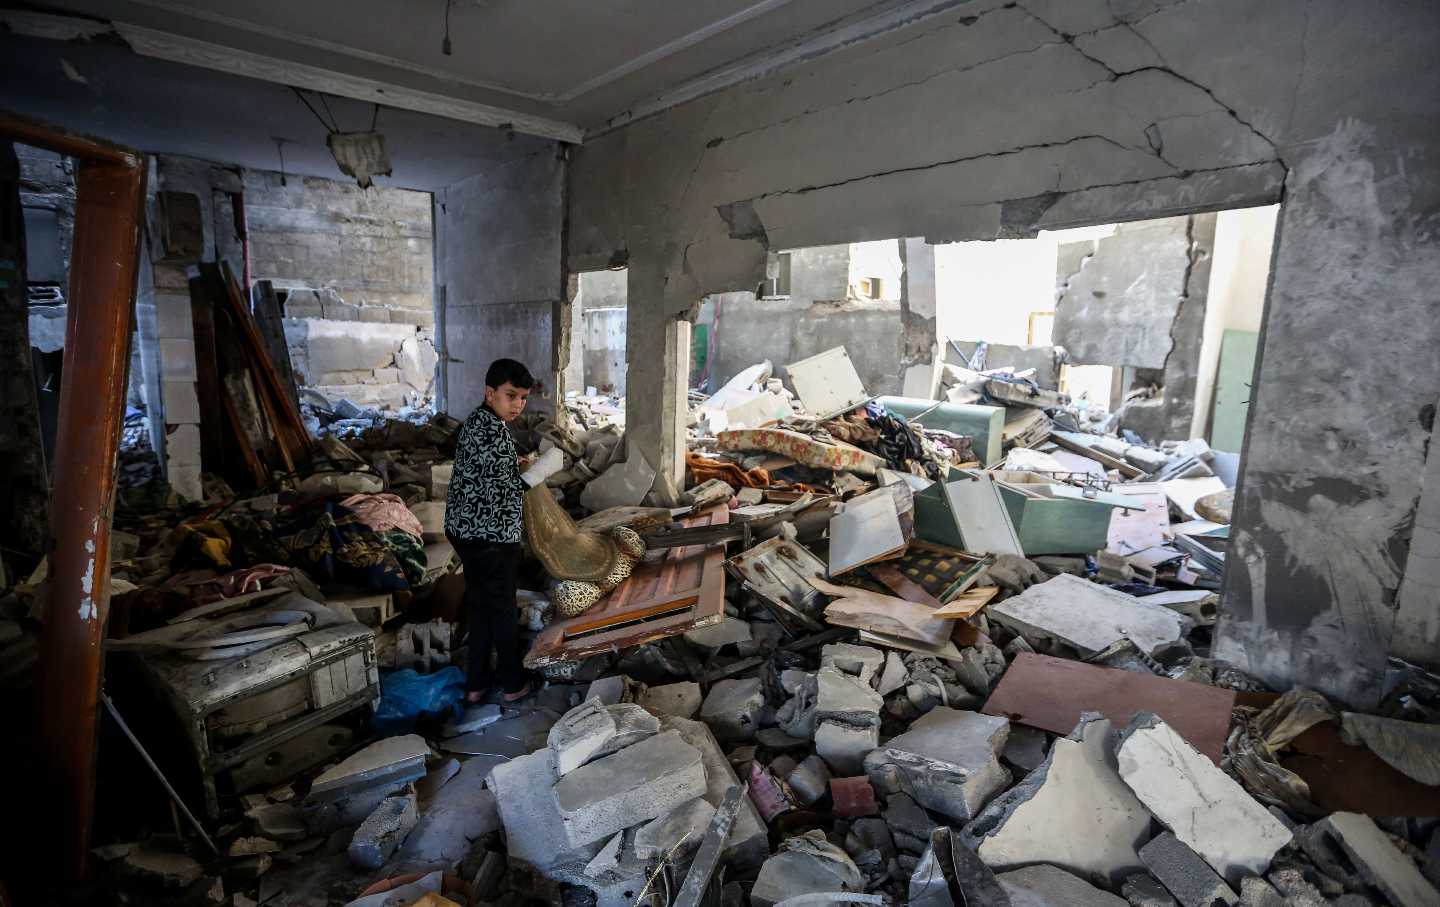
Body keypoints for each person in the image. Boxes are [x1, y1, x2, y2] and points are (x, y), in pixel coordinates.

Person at [445, 357, 536, 707]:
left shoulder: (477, 421)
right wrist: (538, 472)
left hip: (465, 530)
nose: (517, 404)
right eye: (511, 395)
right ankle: (513, 683)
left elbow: (488, 468)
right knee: (501, 608)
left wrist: (512, 464)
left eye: (523, 397)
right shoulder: (494, 430)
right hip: (490, 535)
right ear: (490, 392)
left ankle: (476, 684)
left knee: (481, 606)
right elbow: (511, 487)